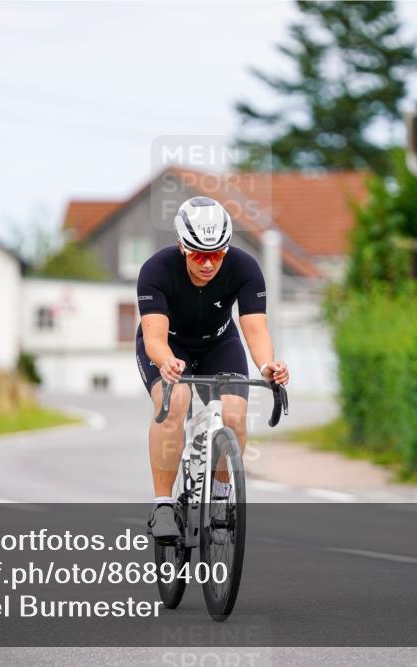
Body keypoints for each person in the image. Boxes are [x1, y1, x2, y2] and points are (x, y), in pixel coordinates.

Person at [136, 196, 289, 540]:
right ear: (181, 247)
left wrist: (267, 365)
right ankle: (162, 505)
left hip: (219, 342)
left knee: (234, 414)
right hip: (169, 344)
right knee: (174, 402)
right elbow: (154, 339)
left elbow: (256, 329)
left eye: (217, 254)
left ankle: (220, 501)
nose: (208, 264)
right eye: (199, 255)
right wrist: (166, 361)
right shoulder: (156, 270)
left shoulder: (245, 268)